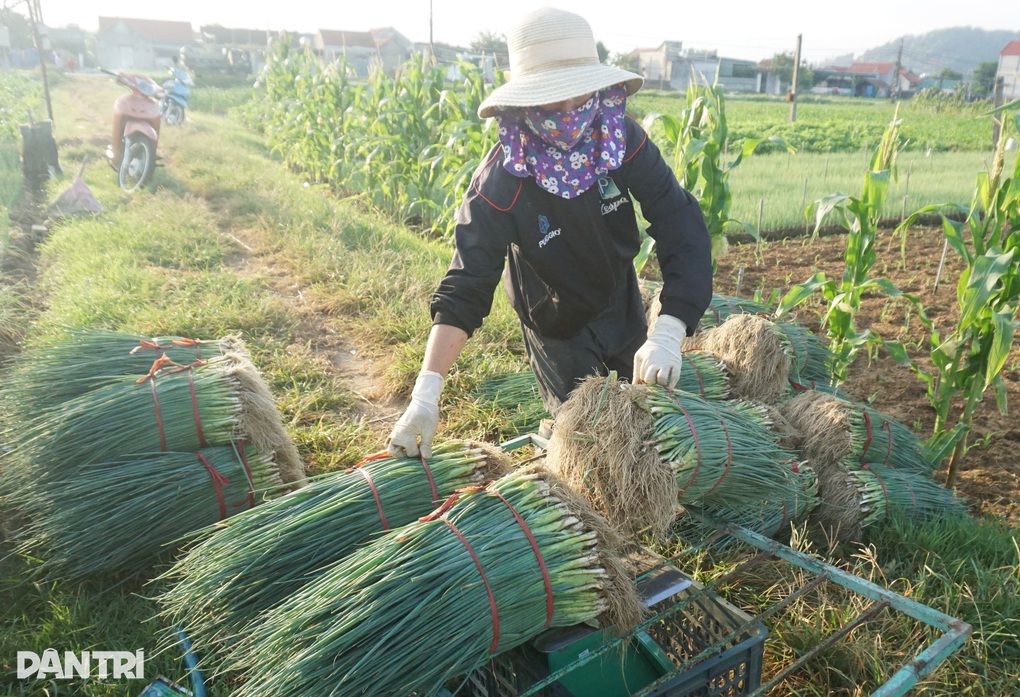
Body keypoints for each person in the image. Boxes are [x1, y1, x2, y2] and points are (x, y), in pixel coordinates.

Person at [386, 6, 712, 458]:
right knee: (585, 441)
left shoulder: (621, 141)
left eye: (578, 95)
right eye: (550, 99)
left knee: (643, 420)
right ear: (523, 101)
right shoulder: (502, 181)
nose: (568, 112)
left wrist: (670, 330)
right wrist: (426, 392)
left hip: (619, 296)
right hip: (553, 316)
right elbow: (467, 285)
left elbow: (679, 222)